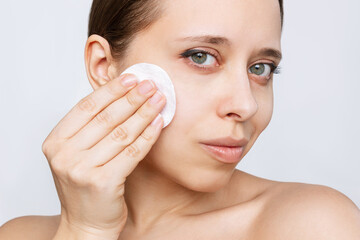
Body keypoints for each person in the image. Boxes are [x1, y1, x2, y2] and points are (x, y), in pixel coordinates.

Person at [1, 0, 359, 239]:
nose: (246, 105)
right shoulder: (21, 235)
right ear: (104, 67)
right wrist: (85, 231)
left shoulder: (310, 225)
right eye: (201, 56)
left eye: (260, 68)